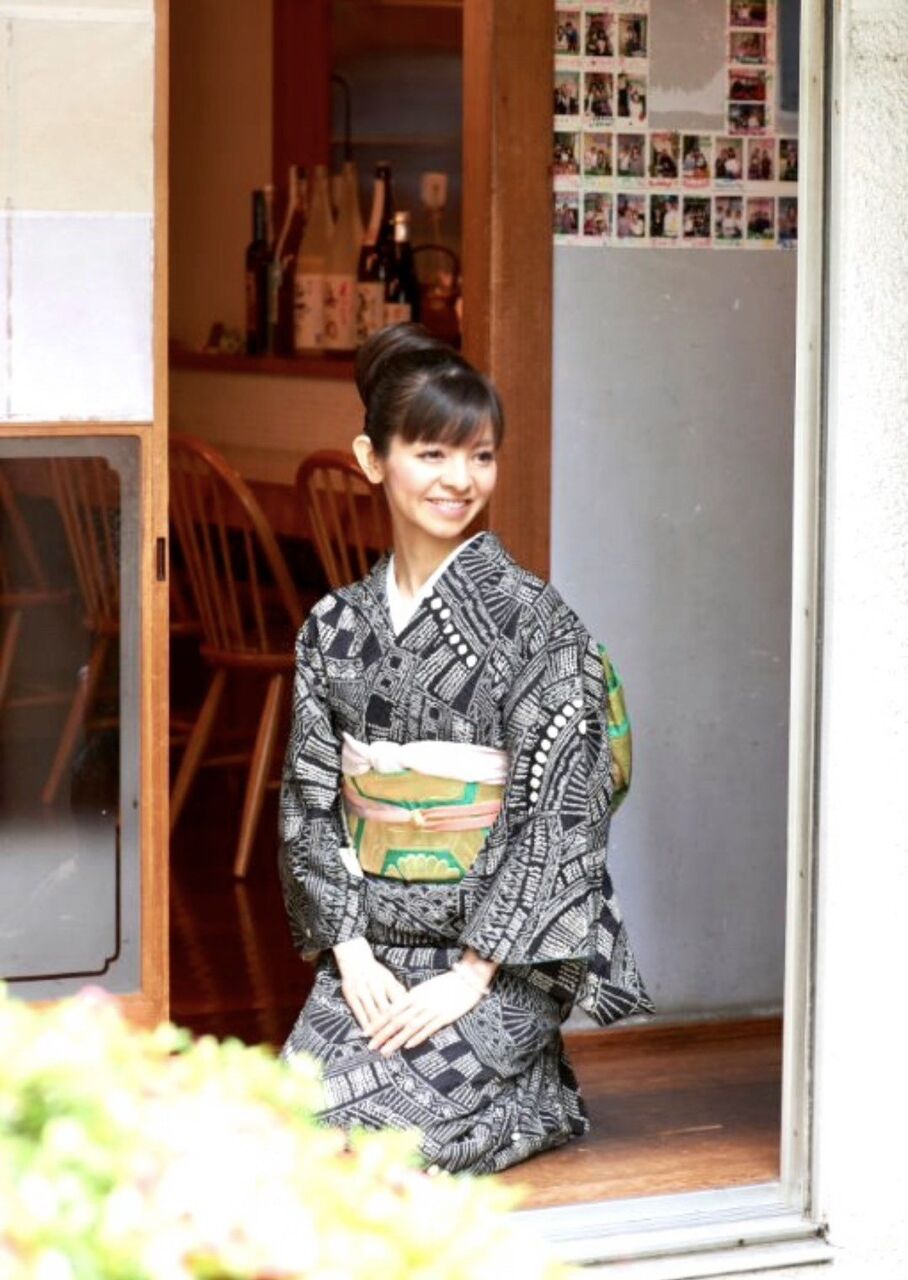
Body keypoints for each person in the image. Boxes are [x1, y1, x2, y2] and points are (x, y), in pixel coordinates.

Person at [279, 325, 652, 1175]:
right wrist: (351, 953)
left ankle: (535, 1093)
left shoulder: (538, 625)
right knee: (288, 1129)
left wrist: (473, 974)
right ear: (372, 460)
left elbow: (561, 814)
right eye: (432, 454)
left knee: (396, 1148)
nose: (460, 480)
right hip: (376, 946)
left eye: (480, 456)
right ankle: (521, 1088)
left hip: (498, 956)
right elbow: (308, 800)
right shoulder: (334, 626)